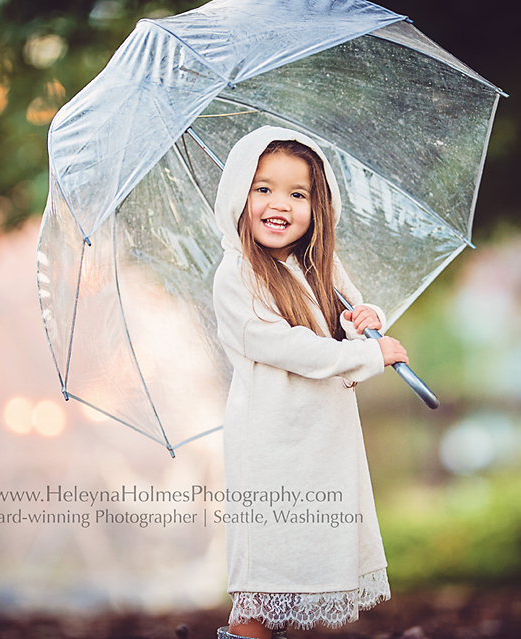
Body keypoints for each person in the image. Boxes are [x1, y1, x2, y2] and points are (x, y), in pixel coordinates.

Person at [212, 126, 408, 639]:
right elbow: (288, 347)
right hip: (271, 443)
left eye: (297, 194)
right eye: (264, 189)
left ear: (317, 206)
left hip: (321, 438)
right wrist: (366, 356)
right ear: (240, 194)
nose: (280, 204)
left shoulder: (317, 265)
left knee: (309, 566)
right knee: (261, 582)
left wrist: (366, 320)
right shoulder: (237, 274)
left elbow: (345, 317)